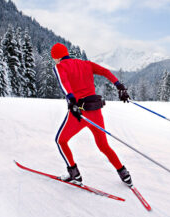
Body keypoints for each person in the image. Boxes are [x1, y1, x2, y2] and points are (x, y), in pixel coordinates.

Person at [51, 43, 132, 187]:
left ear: (56, 57)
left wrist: (71, 100)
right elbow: (105, 71)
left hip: (79, 114)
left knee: (61, 140)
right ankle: (123, 173)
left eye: (54, 59)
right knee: (103, 145)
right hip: (95, 112)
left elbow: (64, 83)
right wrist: (119, 85)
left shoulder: (60, 66)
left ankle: (74, 173)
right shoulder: (86, 64)